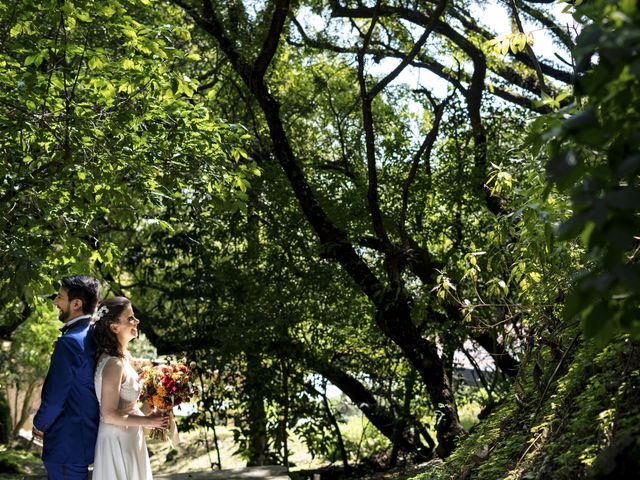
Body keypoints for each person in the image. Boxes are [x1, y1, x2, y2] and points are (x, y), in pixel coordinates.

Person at [32, 275, 102, 480]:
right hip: (84, 439)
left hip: (65, 443)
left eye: (60, 297)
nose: (55, 302)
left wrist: (39, 424)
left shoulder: (70, 342)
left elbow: (55, 396)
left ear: (76, 304)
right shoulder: (95, 336)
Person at [91, 296, 167, 480]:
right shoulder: (113, 364)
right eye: (130, 318)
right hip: (117, 440)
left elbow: (128, 404)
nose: (137, 321)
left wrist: (157, 395)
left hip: (130, 437)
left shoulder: (124, 356)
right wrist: (149, 422)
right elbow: (108, 415)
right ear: (114, 327)